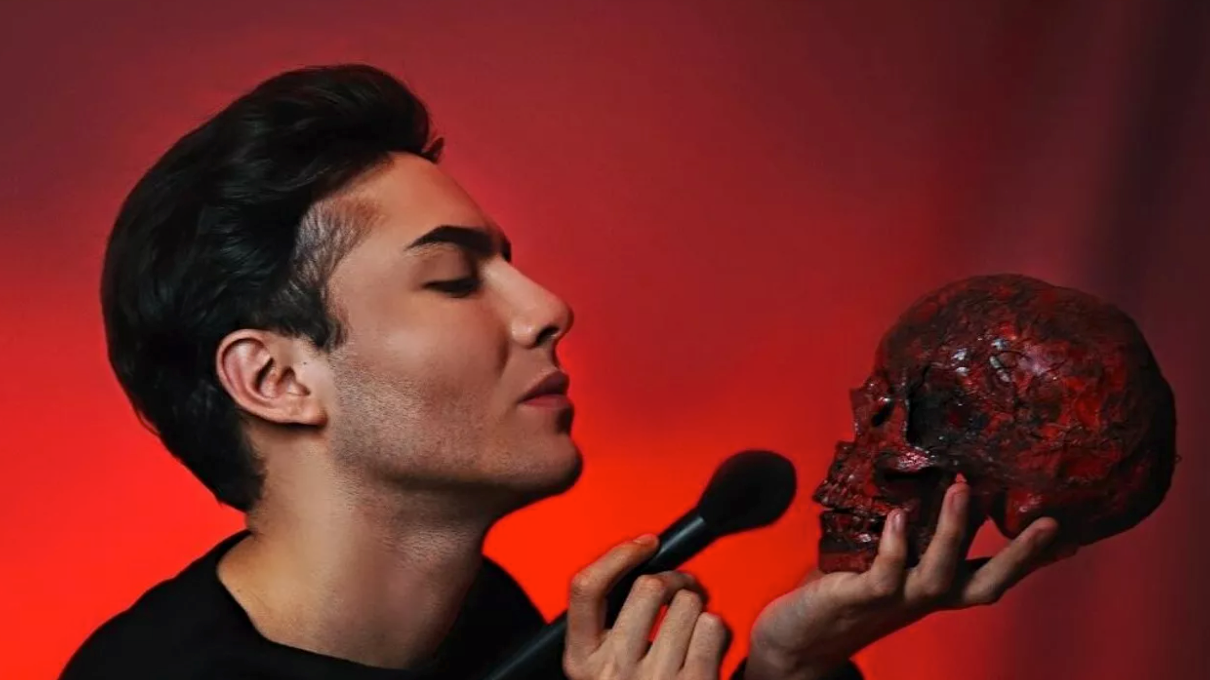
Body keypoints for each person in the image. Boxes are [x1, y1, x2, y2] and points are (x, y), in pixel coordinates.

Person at [61, 64, 1075, 680]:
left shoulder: (492, 623)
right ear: (277, 379)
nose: (548, 307)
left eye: (510, 264)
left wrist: (791, 662)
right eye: (453, 279)